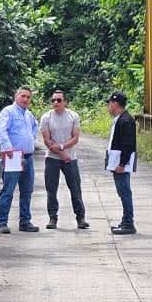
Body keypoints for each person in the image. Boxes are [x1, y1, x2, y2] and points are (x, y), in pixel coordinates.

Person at [40, 90, 88, 230]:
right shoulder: (46, 117)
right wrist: (62, 154)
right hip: (52, 158)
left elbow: (75, 138)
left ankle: (80, 217)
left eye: (59, 100)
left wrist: (62, 147)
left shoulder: (73, 116)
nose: (56, 102)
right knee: (51, 189)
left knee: (75, 188)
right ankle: (52, 217)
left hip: (71, 157)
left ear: (65, 102)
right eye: (53, 100)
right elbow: (47, 140)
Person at [0, 86, 39, 234]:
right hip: (13, 155)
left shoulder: (28, 115)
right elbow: (2, 130)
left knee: (27, 191)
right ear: (16, 96)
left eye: (28, 97)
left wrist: (32, 140)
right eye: (23, 96)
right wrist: (8, 147)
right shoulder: (8, 112)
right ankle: (2, 222)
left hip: (28, 156)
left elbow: (35, 127)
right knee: (8, 190)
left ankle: (25, 221)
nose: (25, 99)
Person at [106, 91, 137, 235]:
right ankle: (125, 221)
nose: (108, 106)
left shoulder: (125, 120)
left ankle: (128, 223)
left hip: (121, 164)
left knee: (125, 192)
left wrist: (122, 164)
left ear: (115, 104)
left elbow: (128, 144)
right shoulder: (121, 119)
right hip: (117, 162)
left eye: (109, 103)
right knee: (123, 192)